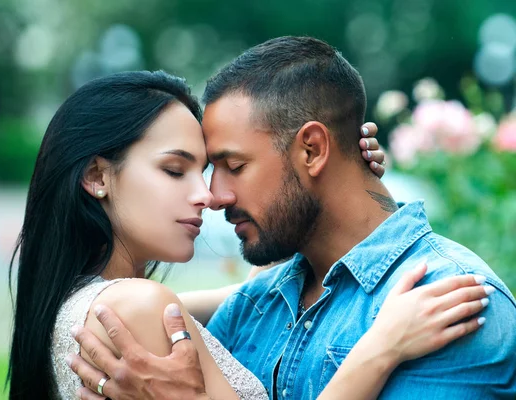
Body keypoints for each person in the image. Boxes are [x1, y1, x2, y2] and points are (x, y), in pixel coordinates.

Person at [68, 37, 516, 399]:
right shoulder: (255, 305)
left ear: (312, 150)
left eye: (234, 166)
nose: (215, 196)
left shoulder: (448, 301)